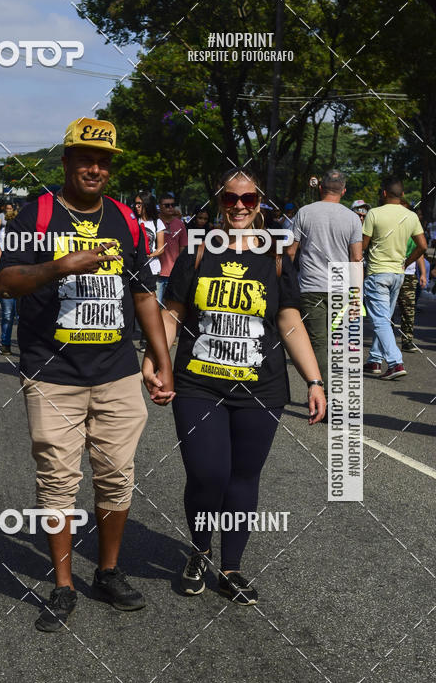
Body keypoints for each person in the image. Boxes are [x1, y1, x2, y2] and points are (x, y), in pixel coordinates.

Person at [0, 117, 173, 633]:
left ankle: (110, 572)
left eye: (104, 161)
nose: (95, 168)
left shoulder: (125, 219)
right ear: (67, 161)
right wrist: (59, 267)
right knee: (58, 482)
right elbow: (6, 282)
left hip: (117, 372)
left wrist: (160, 360)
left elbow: (143, 294)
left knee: (117, 476)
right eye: (85, 159)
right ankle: (63, 584)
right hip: (53, 375)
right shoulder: (38, 214)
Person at [142, 168, 326, 604]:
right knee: (208, 473)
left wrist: (314, 380)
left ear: (260, 202)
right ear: (219, 201)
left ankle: (232, 567)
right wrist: (154, 359)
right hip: (198, 383)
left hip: (261, 388)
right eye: (230, 199)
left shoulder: (277, 255)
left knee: (244, 477)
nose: (239, 206)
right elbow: (172, 314)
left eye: (248, 199)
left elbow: (289, 322)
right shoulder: (199, 249)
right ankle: (201, 550)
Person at [286, 169, 363, 400]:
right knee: (337, 342)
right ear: (344, 190)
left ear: (321, 187)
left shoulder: (304, 213)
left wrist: (285, 283)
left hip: (311, 287)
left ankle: (326, 394)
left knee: (319, 342)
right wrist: (356, 296)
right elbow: (356, 258)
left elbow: (291, 252)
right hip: (341, 287)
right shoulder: (352, 217)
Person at [362, 177, 427, 379]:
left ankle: (395, 363)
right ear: (403, 195)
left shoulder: (374, 213)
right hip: (398, 274)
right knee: (385, 318)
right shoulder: (411, 216)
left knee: (380, 320)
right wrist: (407, 263)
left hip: (377, 273)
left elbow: (362, 246)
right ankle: (374, 360)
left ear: (383, 194)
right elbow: (423, 246)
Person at [134, 190, 165, 348]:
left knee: (151, 304)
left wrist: (148, 255)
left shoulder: (156, 223)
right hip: (134, 269)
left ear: (147, 205)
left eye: (140, 204)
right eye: (136, 203)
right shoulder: (133, 220)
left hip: (151, 269)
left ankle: (148, 339)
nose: (137, 206)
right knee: (132, 303)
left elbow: (161, 248)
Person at [397, 235, 427, 352]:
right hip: (391, 272)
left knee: (408, 310)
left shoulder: (412, 227)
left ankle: (407, 341)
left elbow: (419, 251)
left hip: (409, 275)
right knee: (387, 309)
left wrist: (423, 273)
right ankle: (385, 341)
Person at [157, 192, 188, 307]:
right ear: (160, 206)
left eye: (172, 205)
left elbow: (183, 247)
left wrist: (180, 269)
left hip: (174, 274)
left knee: (169, 308)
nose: (170, 207)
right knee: (155, 307)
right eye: (166, 205)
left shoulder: (180, 224)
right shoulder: (154, 222)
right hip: (156, 274)